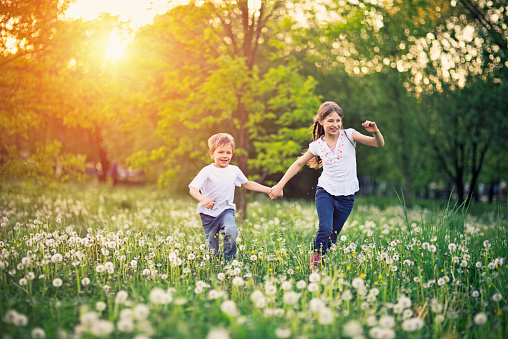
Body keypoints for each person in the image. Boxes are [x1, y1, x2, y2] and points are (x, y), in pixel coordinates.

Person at [269, 101, 385, 269]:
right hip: (325, 191)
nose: (335, 124)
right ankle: (314, 266)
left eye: (338, 120)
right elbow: (298, 164)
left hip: (347, 195)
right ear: (320, 121)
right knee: (325, 228)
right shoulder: (317, 145)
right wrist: (279, 186)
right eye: (330, 120)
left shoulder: (349, 135)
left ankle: (321, 260)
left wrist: (376, 132)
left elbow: (378, 143)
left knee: (332, 237)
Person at [189, 133, 272, 261]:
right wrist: (203, 199)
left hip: (226, 210)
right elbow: (193, 189)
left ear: (232, 154)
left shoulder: (234, 170)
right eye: (220, 152)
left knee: (231, 230)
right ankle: (213, 263)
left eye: (228, 152)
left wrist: (267, 189)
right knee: (212, 247)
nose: (224, 156)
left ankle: (230, 260)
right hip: (208, 213)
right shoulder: (207, 171)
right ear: (212, 154)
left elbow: (247, 183)